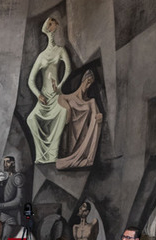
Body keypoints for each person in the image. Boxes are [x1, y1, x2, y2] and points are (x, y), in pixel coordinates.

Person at [26, 16, 71, 164]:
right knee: (31, 119)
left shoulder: (60, 50)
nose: (51, 30)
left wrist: (59, 87)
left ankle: (53, 155)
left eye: (53, 26)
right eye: (49, 27)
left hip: (57, 96)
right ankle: (41, 155)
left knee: (63, 113)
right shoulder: (41, 56)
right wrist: (38, 95)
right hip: (44, 97)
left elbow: (68, 70)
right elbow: (31, 80)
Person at [55, 69, 103, 170]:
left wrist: (99, 116)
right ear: (83, 80)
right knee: (61, 163)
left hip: (84, 138)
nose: (89, 85)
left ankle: (87, 157)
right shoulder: (69, 97)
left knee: (96, 122)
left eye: (91, 83)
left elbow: (96, 113)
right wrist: (68, 109)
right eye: (88, 81)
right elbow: (60, 99)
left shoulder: (91, 102)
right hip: (70, 137)